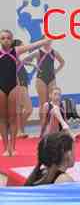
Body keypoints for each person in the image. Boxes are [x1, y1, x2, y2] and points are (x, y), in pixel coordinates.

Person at [0, 29, 51, 157]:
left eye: (8, 38)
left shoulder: (16, 51)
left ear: (12, 40)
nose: (6, 40)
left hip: (13, 86)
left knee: (12, 117)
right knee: (2, 118)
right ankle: (5, 148)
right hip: (1, 87)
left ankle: (13, 147)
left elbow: (32, 46)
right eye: (3, 38)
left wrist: (45, 41)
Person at [35, 43, 65, 126]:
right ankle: (42, 125)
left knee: (52, 102)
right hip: (41, 78)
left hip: (51, 78)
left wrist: (56, 71)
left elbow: (62, 62)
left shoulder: (54, 52)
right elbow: (26, 59)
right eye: (46, 41)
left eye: (49, 40)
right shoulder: (38, 52)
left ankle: (52, 124)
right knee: (43, 103)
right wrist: (34, 65)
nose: (47, 42)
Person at [12, 39, 34, 138]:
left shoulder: (17, 58)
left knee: (20, 109)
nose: (24, 47)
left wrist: (32, 64)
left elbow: (22, 62)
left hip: (23, 84)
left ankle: (19, 131)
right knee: (29, 109)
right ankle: (18, 129)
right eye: (22, 45)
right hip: (20, 85)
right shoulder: (12, 58)